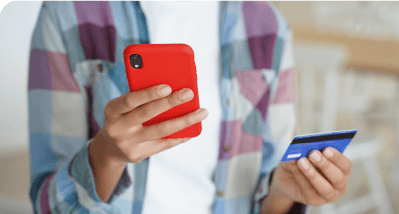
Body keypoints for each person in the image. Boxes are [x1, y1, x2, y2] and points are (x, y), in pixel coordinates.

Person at [28, 1, 352, 214]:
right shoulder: (69, 13)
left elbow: (269, 190)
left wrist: (284, 191)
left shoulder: (267, 26)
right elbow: (49, 205)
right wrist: (105, 156)